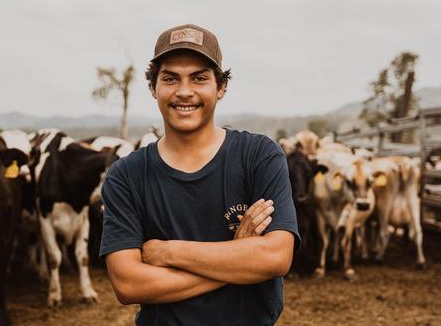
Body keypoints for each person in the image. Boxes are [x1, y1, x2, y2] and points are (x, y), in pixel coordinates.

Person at [100, 24, 300, 326]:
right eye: (170, 78)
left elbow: (275, 258)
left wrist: (168, 252)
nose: (184, 91)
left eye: (199, 78)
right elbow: (129, 285)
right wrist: (238, 255)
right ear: (153, 87)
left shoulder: (258, 156)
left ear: (220, 87)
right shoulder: (125, 175)